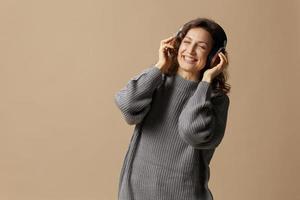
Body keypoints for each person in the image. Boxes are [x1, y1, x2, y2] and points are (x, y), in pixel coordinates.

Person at [114, 17, 231, 200]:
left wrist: (206, 81)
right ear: (176, 43)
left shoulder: (215, 100)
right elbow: (128, 108)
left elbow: (191, 131)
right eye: (186, 42)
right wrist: (160, 66)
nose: (190, 51)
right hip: (136, 193)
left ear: (215, 56)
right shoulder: (157, 82)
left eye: (201, 46)